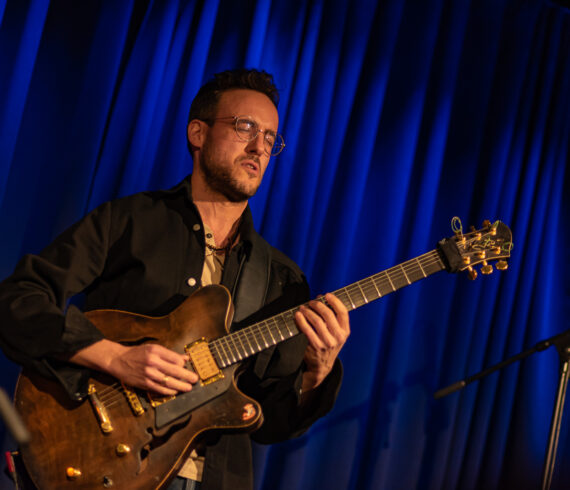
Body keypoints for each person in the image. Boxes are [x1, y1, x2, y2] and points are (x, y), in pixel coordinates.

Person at [0, 69, 350, 490]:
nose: (259, 147)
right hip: (95, 462)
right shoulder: (128, 221)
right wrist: (114, 358)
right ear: (198, 133)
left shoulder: (282, 280)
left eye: (270, 137)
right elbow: (17, 302)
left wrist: (316, 374)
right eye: (245, 127)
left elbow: (271, 423)